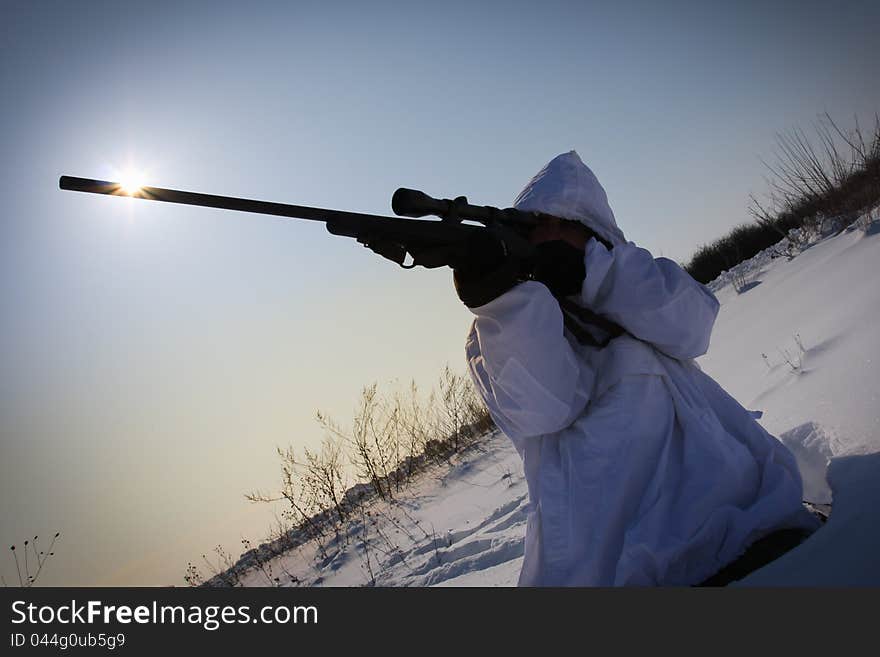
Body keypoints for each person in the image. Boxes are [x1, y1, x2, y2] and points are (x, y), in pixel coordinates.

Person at [452, 150, 820, 586]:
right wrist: (501, 299)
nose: (546, 235)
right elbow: (542, 409)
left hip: (744, 514)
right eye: (534, 228)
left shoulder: (630, 279)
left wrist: (593, 275)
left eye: (560, 223)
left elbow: (693, 326)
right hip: (617, 559)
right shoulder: (503, 326)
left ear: (593, 230)